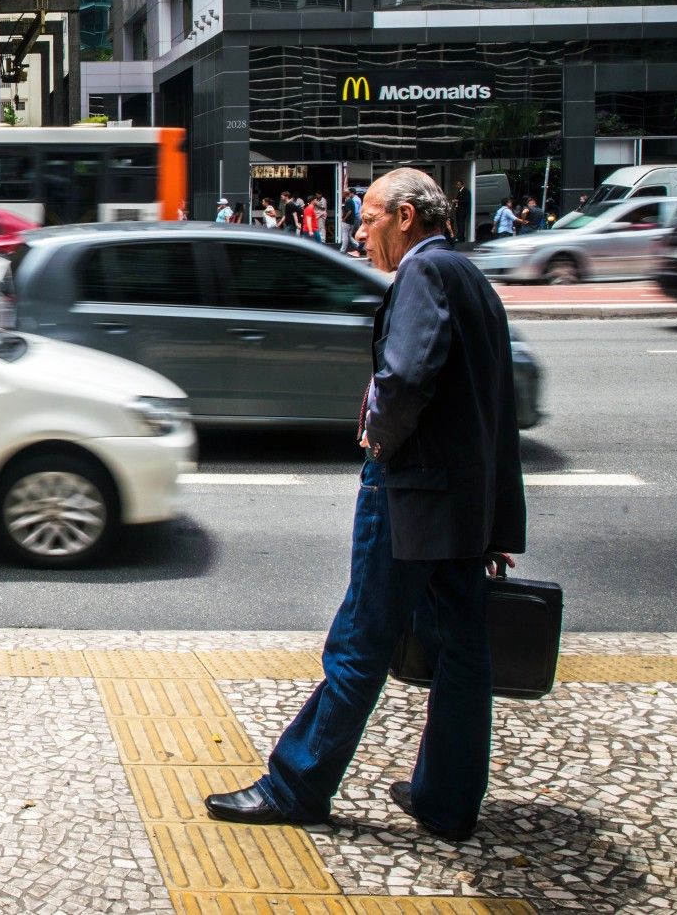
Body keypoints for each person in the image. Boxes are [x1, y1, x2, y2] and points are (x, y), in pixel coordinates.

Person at [204, 167, 525, 842]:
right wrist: (494, 517)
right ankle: (447, 802)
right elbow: (494, 412)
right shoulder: (472, 279)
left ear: (407, 215)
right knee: (465, 657)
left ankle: (296, 785)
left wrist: (377, 435)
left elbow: (404, 377)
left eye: (371, 217)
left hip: (411, 494)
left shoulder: (424, 275)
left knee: (359, 641)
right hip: (463, 504)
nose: (360, 230)